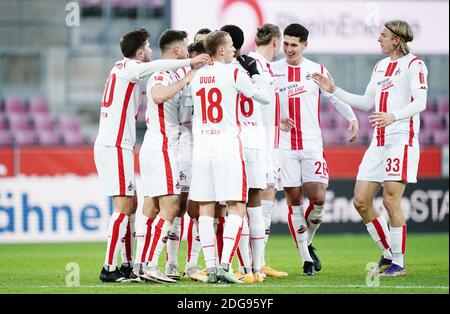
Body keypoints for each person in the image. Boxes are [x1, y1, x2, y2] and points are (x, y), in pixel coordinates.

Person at [94, 27, 210, 283]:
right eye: (146, 47)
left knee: (134, 206)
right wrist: (190, 64)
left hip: (121, 144)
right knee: (124, 209)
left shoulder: (121, 69)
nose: (149, 51)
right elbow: (157, 75)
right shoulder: (131, 68)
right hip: (116, 145)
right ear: (138, 52)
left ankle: (127, 265)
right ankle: (109, 268)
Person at [313, 20, 428, 276]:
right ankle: (388, 253)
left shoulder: (414, 64)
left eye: (383, 35)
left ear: (396, 40)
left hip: (401, 139)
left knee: (390, 200)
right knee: (361, 201)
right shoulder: (380, 66)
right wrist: (334, 90)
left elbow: (420, 102)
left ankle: (398, 263)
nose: (379, 39)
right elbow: (366, 102)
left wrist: (393, 116)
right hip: (379, 141)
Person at [183, 30, 271, 283]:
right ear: (220, 50)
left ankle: (210, 269)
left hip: (202, 148)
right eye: (231, 46)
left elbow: (188, 108)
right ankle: (224, 266)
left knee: (207, 210)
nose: (235, 49)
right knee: (236, 207)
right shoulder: (234, 72)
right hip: (227, 147)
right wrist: (256, 75)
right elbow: (264, 97)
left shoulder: (197, 76)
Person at [271, 23, 359, 276]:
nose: (288, 49)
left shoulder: (316, 70)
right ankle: (306, 259)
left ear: (304, 46)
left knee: (318, 198)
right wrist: (276, 122)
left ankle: (307, 242)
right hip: (284, 146)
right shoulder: (273, 71)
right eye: (285, 44)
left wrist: (351, 118)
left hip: (311, 144)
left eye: (293, 45)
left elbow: (333, 95)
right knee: (293, 198)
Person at [138, 29, 198, 283]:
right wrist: (187, 78)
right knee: (172, 205)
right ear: (177, 50)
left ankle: (141, 263)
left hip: (158, 146)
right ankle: (150, 264)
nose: (187, 50)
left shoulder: (173, 73)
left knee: (152, 207)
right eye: (184, 46)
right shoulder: (162, 74)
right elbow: (158, 95)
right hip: (162, 146)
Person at [248, 23, 290, 278]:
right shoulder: (253, 64)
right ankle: (254, 263)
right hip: (259, 146)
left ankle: (259, 260)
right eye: (282, 42)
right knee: (259, 203)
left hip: (269, 143)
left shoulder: (263, 66)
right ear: (275, 41)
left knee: (265, 203)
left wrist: (277, 121)